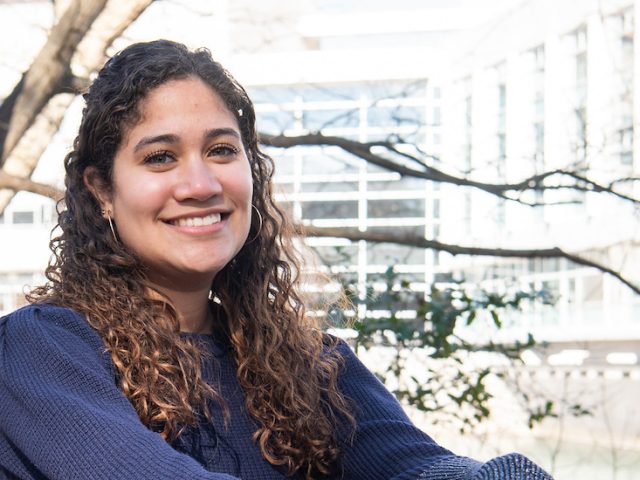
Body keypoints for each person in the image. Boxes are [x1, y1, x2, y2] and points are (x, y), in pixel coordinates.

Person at [0, 40, 553, 480]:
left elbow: (418, 467)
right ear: (101, 190)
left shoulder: (310, 364)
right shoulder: (37, 352)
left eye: (221, 150)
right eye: (161, 157)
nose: (200, 184)